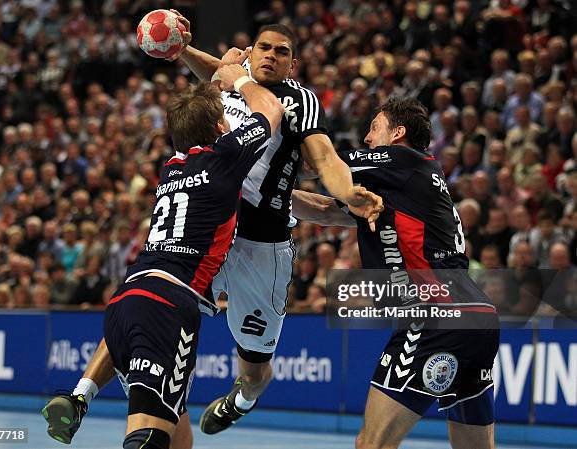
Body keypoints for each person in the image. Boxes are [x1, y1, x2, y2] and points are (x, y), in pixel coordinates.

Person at [50, 15, 383, 439]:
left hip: (263, 242)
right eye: (264, 47)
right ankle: (84, 396)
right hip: (214, 225)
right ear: (252, 52)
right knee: (150, 301)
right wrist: (182, 48)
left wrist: (349, 193)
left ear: (292, 65)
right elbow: (217, 70)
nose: (271, 56)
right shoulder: (234, 79)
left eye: (282, 52)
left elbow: (324, 160)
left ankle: (240, 400)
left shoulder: (299, 100)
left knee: (255, 368)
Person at [42, 67, 285, 448]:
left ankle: (79, 395)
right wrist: (240, 78)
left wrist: (215, 77)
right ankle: (80, 397)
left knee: (178, 439)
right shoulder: (225, 157)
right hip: (168, 306)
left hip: (126, 299)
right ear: (221, 128)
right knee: (149, 437)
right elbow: (270, 107)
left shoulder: (171, 166)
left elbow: (195, 116)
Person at [292, 98, 499, 449]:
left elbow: (320, 162)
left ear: (398, 133)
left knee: (372, 444)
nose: (368, 139)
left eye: (375, 128)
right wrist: (253, 195)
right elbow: (327, 211)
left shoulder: (400, 159)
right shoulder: (404, 187)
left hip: (434, 315)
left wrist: (254, 161)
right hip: (476, 318)